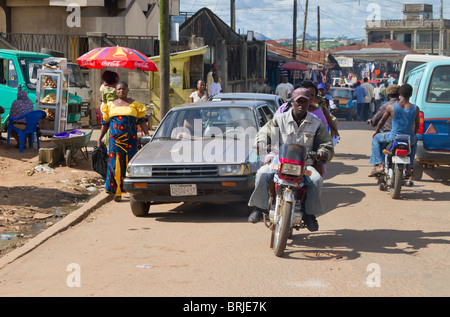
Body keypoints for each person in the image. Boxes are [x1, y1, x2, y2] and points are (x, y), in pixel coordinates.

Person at [247, 88, 334, 231]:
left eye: (304, 101)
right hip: (279, 162)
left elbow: (327, 143)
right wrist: (261, 143)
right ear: (292, 102)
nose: (301, 104)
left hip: (305, 165)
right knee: (262, 174)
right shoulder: (279, 120)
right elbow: (264, 133)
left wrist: (323, 152)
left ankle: (309, 214)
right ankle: (260, 208)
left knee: (317, 180)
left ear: (309, 103)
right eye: (298, 101)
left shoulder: (316, 123)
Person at [97, 81, 149, 202]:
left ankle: (133, 191)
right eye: (119, 89)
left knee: (131, 165)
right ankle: (117, 192)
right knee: (116, 166)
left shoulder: (135, 104)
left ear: (128, 90)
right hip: (114, 141)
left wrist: (147, 136)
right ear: (116, 91)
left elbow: (142, 121)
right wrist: (99, 139)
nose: (121, 91)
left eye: (124, 89)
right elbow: (105, 124)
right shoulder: (109, 105)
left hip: (131, 141)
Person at [369, 84, 420, 177]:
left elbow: (381, 122)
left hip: (393, 137)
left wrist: (376, 131)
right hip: (409, 138)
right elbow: (417, 125)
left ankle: (379, 165)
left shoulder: (391, 107)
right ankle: (409, 167)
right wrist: (414, 134)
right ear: (411, 94)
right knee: (414, 143)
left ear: (399, 93)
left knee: (376, 138)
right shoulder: (416, 109)